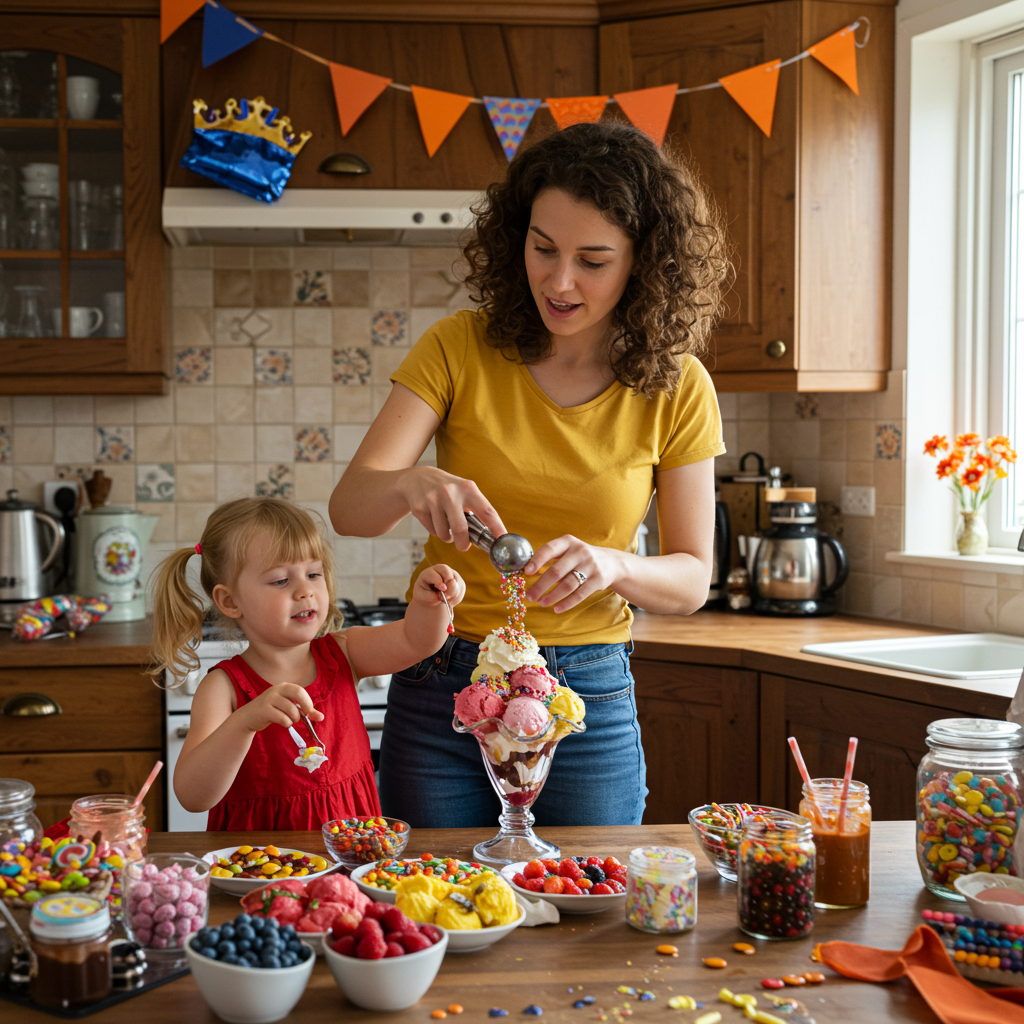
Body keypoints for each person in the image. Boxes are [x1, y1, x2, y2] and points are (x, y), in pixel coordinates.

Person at [329, 120, 731, 828]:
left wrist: (615, 565)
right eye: (542, 248)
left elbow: (694, 577)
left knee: (588, 918)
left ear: (645, 262)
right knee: (434, 909)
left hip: (588, 692)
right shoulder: (458, 347)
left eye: (593, 259)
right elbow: (350, 510)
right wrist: (409, 482)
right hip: (442, 676)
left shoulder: (678, 386)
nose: (559, 278)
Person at [149, 496, 464, 831]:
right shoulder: (222, 687)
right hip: (261, 865)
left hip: (351, 850)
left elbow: (417, 641)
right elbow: (192, 796)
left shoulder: (344, 651)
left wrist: (430, 605)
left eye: (314, 573)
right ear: (230, 601)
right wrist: (245, 722)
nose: (305, 591)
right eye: (281, 580)